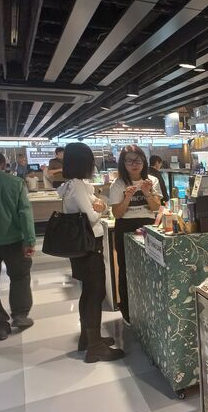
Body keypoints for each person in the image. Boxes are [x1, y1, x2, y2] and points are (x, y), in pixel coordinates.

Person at [57, 143, 124, 362]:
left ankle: (88, 337)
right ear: (83, 163)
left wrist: (98, 204)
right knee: (96, 293)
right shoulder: (77, 186)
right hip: (89, 246)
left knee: (88, 292)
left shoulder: (70, 185)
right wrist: (101, 208)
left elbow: (93, 206)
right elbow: (91, 216)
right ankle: (95, 347)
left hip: (80, 247)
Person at [110, 145, 161, 323]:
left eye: (137, 160)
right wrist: (127, 198)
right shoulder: (118, 184)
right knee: (125, 269)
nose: (134, 164)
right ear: (123, 163)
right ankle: (126, 311)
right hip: (125, 227)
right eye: (129, 161)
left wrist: (147, 193)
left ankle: (150, 309)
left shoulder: (152, 181)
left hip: (147, 226)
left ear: (143, 162)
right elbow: (117, 214)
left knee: (150, 268)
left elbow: (155, 208)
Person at [0, 152, 35, 341]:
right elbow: (25, 213)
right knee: (20, 277)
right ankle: (20, 315)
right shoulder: (15, 183)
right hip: (14, 241)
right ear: (3, 164)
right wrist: (29, 240)